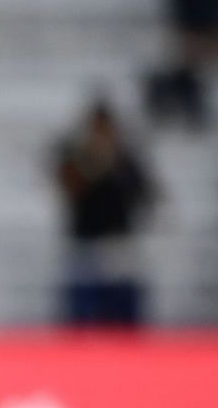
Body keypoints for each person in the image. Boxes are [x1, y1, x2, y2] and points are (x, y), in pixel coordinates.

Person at [50, 97, 159, 327]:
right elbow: (67, 188)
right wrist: (92, 166)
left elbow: (144, 192)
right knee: (82, 308)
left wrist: (114, 164)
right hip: (86, 239)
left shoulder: (125, 157)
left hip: (117, 240)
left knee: (122, 308)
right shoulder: (76, 155)